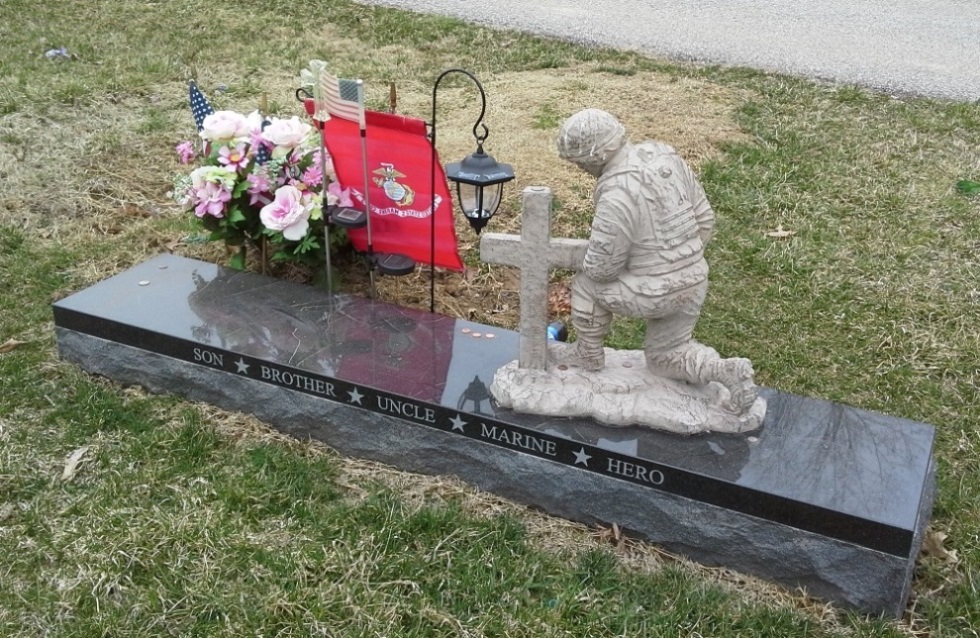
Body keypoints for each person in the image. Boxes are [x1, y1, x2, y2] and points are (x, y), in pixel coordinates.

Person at [553, 108, 757, 412]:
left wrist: (653, 269)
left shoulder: (616, 191)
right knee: (665, 357)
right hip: (694, 278)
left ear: (593, 156)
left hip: (652, 291)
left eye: (579, 162)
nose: (580, 168)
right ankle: (721, 370)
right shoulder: (666, 158)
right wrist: (679, 258)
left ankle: (588, 354)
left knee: (585, 284)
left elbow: (603, 268)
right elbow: (705, 220)